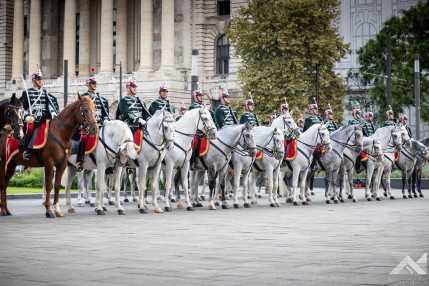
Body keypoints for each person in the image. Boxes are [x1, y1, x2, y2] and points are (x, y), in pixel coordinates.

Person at [20, 72, 59, 160]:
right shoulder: (27, 92)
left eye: (41, 79)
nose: (41, 81)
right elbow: (23, 108)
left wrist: (53, 113)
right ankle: (27, 150)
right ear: (34, 81)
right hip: (33, 118)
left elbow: (50, 104)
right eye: (38, 79)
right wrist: (26, 117)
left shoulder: (45, 92)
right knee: (30, 128)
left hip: (45, 117)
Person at [73, 77, 109, 169]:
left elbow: (105, 113)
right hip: (88, 125)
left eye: (95, 83)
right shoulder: (83, 98)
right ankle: (79, 161)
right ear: (88, 85)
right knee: (83, 138)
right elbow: (80, 112)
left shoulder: (102, 99)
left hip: (100, 124)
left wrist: (105, 119)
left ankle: (110, 163)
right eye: (92, 83)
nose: (94, 85)